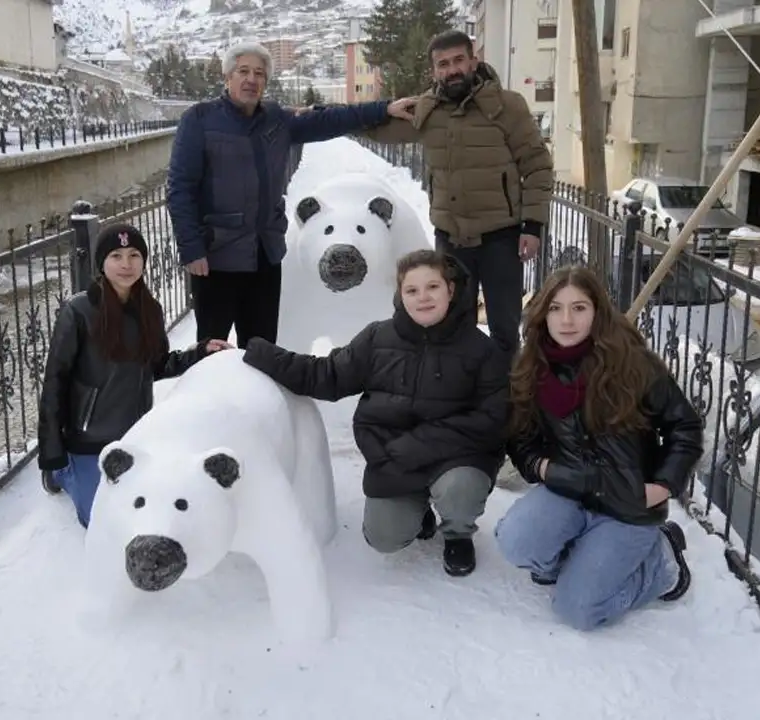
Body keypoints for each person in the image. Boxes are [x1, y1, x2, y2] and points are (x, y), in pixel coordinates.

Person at [243, 249, 510, 577]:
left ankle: (457, 532)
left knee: (459, 490)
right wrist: (257, 353)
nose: (423, 298)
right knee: (385, 538)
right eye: (412, 290)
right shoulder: (377, 338)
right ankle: (419, 510)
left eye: (433, 287)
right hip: (394, 457)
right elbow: (327, 376)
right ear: (400, 294)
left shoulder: (480, 349)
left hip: (456, 458)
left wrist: (418, 445)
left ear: (450, 291)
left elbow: (492, 419)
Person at [167, 41, 418, 350]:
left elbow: (328, 121)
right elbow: (180, 188)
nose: (251, 79)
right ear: (227, 77)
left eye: (259, 73)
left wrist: (383, 109)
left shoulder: (275, 119)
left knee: (261, 348)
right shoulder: (200, 120)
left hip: (265, 256)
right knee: (210, 347)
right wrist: (191, 249)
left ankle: (259, 399)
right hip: (218, 256)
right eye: (243, 71)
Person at [493, 266, 703, 630]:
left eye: (579, 308)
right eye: (556, 308)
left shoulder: (633, 365)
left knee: (578, 611)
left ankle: (662, 564)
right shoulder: (533, 365)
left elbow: (684, 426)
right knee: (515, 541)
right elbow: (521, 438)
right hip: (570, 491)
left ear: (597, 311)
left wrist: (662, 486)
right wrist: (544, 469)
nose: (567, 320)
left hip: (627, 504)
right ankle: (572, 561)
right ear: (543, 313)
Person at [362, 30, 553, 370]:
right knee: (451, 325)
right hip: (451, 240)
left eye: (458, 61)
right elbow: (377, 128)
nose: (451, 70)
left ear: (473, 61)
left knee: (505, 329)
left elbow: (537, 166)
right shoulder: (425, 111)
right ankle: (460, 395)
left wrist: (533, 226)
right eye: (443, 64)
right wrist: (318, 117)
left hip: (501, 239)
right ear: (434, 70)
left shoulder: (507, 106)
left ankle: (505, 401)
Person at [37, 223, 231, 526]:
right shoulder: (78, 311)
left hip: (134, 437)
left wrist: (200, 352)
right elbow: (54, 383)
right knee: (100, 522)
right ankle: (64, 473)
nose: (126, 265)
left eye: (134, 255)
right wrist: (52, 453)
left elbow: (156, 365)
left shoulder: (149, 309)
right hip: (88, 439)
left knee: (141, 515)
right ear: (102, 262)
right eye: (116, 255)